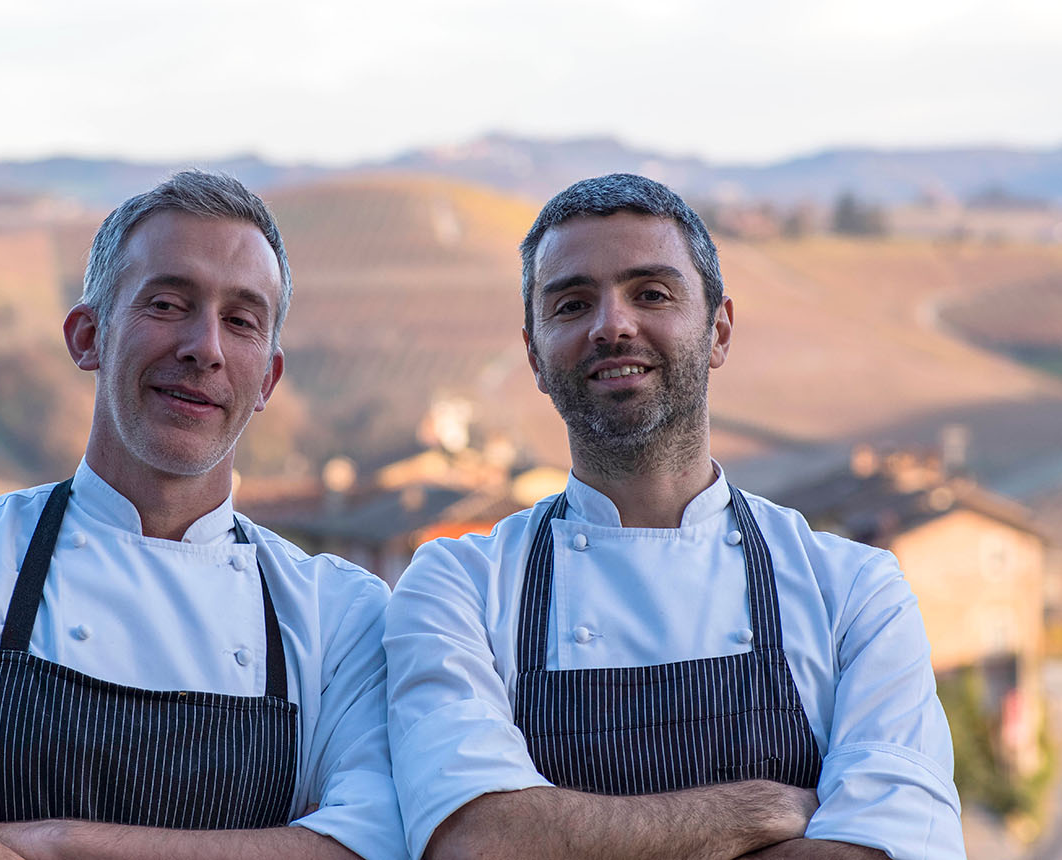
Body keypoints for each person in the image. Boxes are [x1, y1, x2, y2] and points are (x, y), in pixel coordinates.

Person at [0, 171, 405, 860]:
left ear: (268, 378)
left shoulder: (341, 618)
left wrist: (58, 842)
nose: (205, 348)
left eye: (240, 321)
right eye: (167, 303)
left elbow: (372, 847)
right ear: (87, 336)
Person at [384, 174, 963, 860]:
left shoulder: (855, 593)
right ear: (535, 354)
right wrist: (758, 811)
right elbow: (479, 840)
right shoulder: (458, 589)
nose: (612, 325)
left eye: (651, 294)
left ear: (718, 330)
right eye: (572, 304)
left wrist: (559, 833)